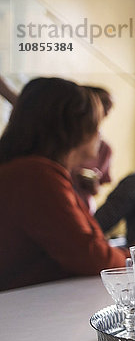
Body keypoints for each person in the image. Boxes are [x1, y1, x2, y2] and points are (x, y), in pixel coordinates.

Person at [0, 77, 127, 291]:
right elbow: (90, 256)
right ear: (73, 129)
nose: (100, 135)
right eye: (95, 125)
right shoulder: (36, 175)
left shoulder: (31, 170)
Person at [72, 86, 114, 214]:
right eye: (100, 103)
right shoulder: (63, 139)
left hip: (82, 210)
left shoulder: (105, 148)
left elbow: (98, 189)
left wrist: (92, 184)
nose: (104, 111)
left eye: (108, 107)